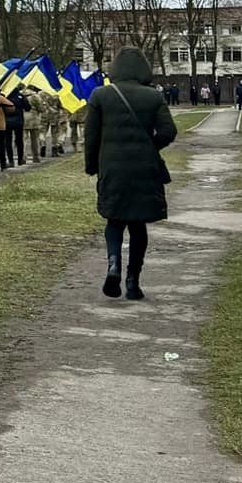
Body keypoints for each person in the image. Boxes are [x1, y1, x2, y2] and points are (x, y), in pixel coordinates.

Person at [84, 48, 178, 302]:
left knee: (114, 220)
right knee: (138, 225)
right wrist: (150, 146)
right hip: (144, 168)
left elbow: (91, 137)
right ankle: (133, 282)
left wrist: (92, 166)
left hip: (112, 167)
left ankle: (113, 264)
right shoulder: (153, 96)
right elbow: (168, 131)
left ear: (115, 69)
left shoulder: (100, 95)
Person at [7, 87, 33, 168]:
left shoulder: (6, 96)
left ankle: (10, 160)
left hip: (7, 121)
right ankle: (20, 159)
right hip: (19, 121)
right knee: (19, 141)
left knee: (8, 141)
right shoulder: (21, 96)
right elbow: (28, 107)